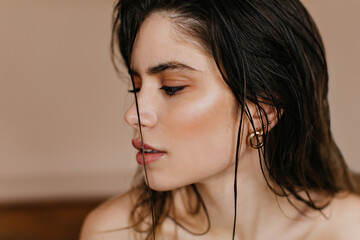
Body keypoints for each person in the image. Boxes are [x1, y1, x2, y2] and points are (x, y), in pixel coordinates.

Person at [80, 0, 360, 239]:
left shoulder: (348, 229)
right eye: (137, 86)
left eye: (171, 87)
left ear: (264, 108)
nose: (133, 114)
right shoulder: (115, 232)